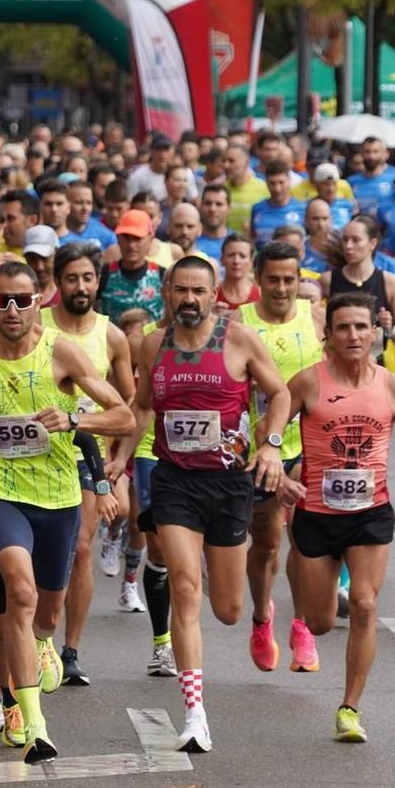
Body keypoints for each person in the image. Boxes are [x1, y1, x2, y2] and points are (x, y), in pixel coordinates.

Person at [0, 262, 134, 764]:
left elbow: (124, 415)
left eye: (22, 300)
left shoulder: (62, 352)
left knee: (46, 611)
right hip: (0, 491)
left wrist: (74, 418)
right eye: (2, 301)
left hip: (59, 496)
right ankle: (33, 720)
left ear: (39, 300)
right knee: (18, 592)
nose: (12, 310)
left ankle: (45, 642)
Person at [133, 255, 287, 752]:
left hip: (229, 483)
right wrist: (118, 459)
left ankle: (261, 613)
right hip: (175, 480)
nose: (190, 300)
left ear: (215, 292)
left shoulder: (238, 339)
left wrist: (272, 444)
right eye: (181, 290)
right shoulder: (152, 345)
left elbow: (279, 394)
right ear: (167, 292)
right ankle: (195, 713)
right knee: (184, 585)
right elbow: (140, 406)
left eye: (199, 291)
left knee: (226, 608)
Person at [273, 293, 395, 743]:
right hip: (317, 515)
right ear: (329, 336)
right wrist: (279, 470)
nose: (353, 335)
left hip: (370, 512)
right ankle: (304, 614)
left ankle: (349, 708)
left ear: (375, 333)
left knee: (364, 603)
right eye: (343, 327)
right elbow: (271, 431)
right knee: (321, 622)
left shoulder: (393, 385)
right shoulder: (306, 383)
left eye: (361, 326)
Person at [37, 241, 135, 686]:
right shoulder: (34, 324)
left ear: (99, 282)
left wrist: (116, 468)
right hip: (30, 454)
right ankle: (35, 638)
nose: (80, 286)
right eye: (72, 277)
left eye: (88, 278)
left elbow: (127, 407)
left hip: (83, 458)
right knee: (36, 554)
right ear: (57, 281)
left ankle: (68, 649)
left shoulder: (112, 336)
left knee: (80, 550)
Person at [237, 241, 327, 672]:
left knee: (306, 542)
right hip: (262, 450)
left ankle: (302, 626)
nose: (281, 287)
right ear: (258, 279)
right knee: (269, 542)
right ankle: (261, 617)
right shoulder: (241, 322)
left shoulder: (316, 317)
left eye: (289, 279)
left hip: (310, 445)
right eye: (272, 279)